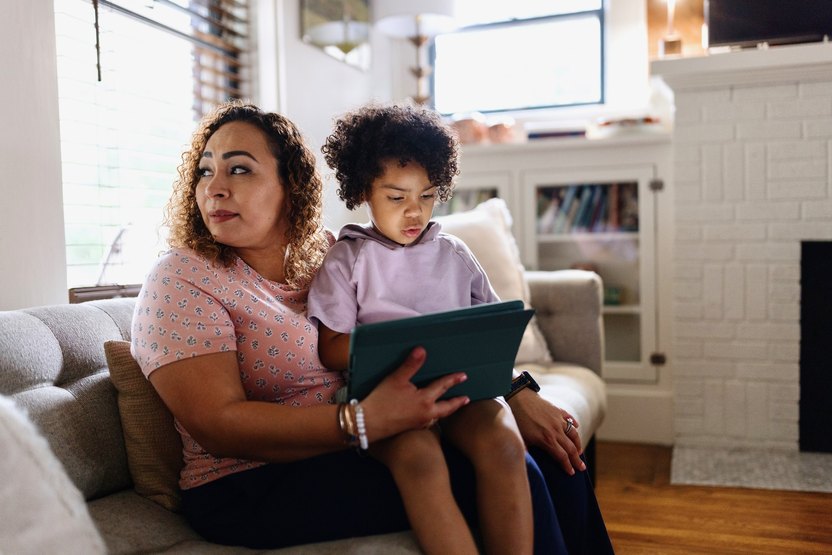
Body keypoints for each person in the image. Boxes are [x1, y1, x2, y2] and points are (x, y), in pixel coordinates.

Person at [130, 99, 614, 554]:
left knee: (554, 455)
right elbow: (218, 425)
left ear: (291, 187)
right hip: (252, 480)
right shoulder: (182, 277)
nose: (214, 186)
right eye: (205, 170)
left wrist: (515, 390)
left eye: (239, 169)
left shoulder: (323, 253)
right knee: (524, 474)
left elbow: (428, 331)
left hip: (366, 437)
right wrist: (365, 420)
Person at [308, 103, 532, 554]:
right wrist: (402, 346)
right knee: (421, 460)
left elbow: (490, 326)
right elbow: (331, 348)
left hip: (462, 390)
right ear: (363, 192)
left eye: (427, 196)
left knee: (505, 444)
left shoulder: (453, 252)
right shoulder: (347, 257)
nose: (415, 211)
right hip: (388, 400)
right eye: (396, 197)